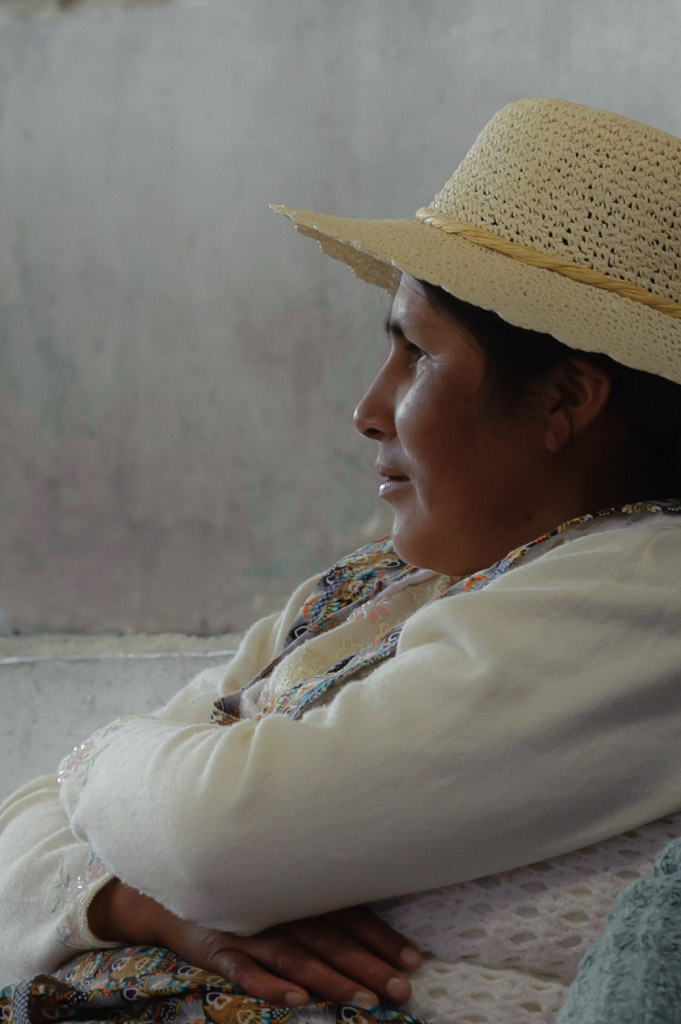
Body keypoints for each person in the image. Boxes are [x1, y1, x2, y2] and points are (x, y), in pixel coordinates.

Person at [2, 96, 681, 1024]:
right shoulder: (370, 595)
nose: (367, 409)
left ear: (565, 399)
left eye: (417, 356)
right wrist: (133, 903)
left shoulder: (644, 597)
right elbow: (27, 840)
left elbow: (214, 835)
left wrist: (98, 761)